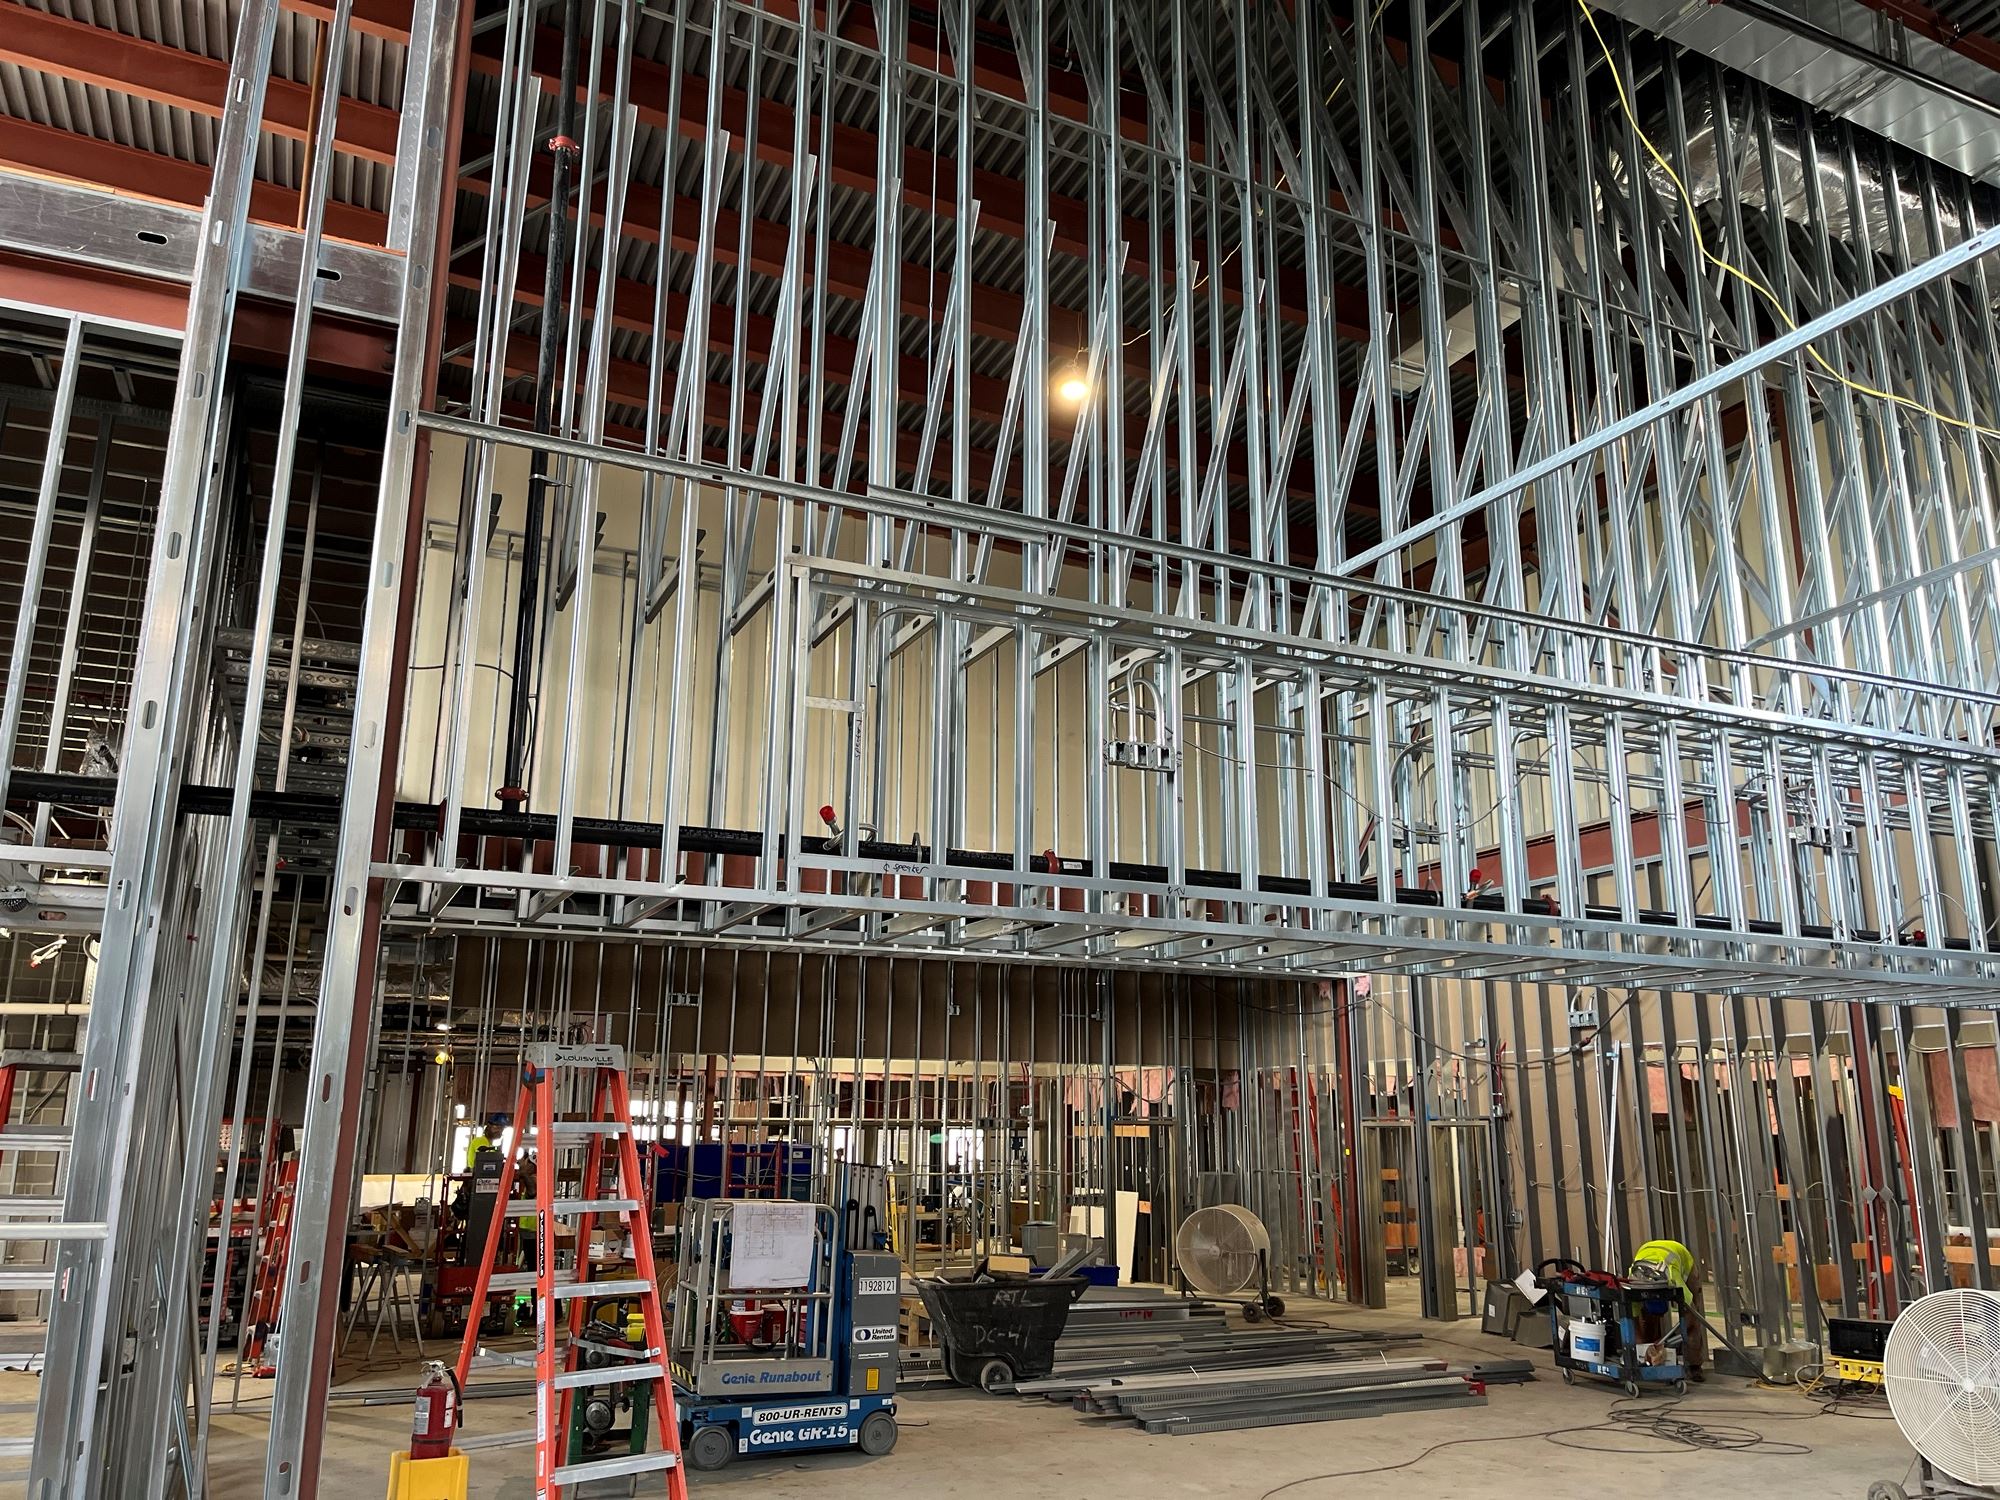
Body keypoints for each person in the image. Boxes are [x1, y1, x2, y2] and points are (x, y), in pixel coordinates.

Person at [1629, 1237, 1706, 1380]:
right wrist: (1644, 1346)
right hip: (1646, 1252)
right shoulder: (1633, 1285)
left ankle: (1695, 1366)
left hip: (1679, 1255)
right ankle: (1651, 1360)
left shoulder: (1673, 1278)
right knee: (1644, 1323)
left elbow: (1691, 1309)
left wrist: (1675, 1337)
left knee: (1693, 1323)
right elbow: (1634, 1323)